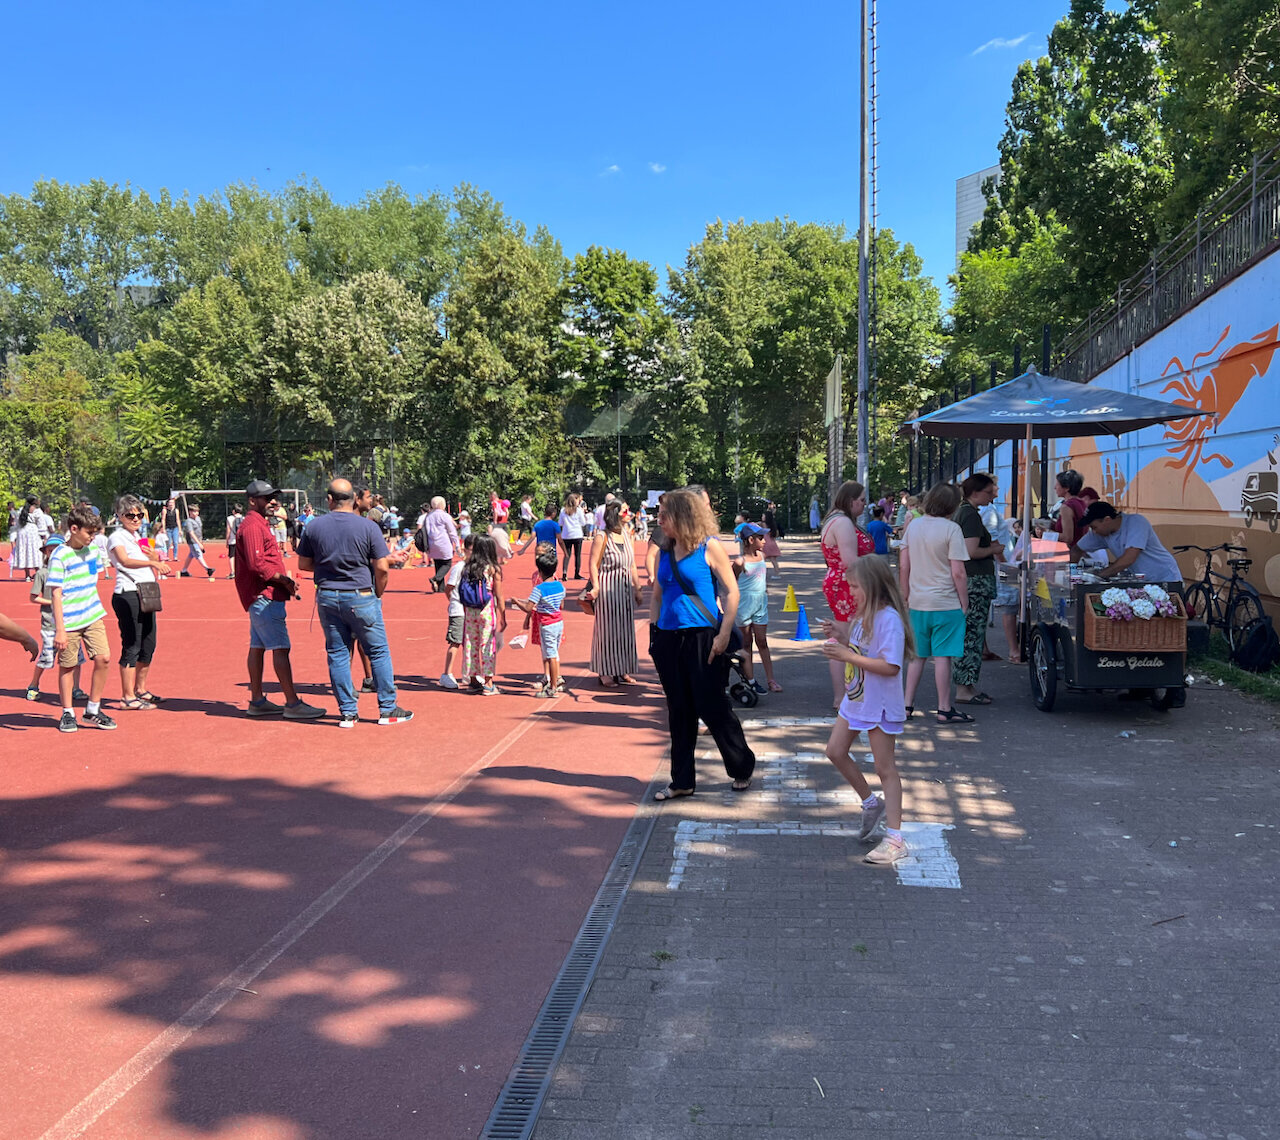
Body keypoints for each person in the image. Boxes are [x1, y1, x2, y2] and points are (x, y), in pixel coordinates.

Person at [648, 488, 755, 801]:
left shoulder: (709, 547)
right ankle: (682, 780)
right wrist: (654, 635)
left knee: (711, 705)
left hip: (702, 636)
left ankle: (741, 766)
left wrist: (723, 635)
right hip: (669, 638)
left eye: (664, 515)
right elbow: (658, 593)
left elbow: (731, 592)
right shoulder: (666, 549)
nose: (659, 520)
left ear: (682, 515)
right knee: (678, 710)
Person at [820, 554, 915, 865]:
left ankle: (896, 839)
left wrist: (846, 655)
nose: (851, 594)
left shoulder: (888, 619)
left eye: (855, 587)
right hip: (859, 698)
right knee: (835, 750)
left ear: (872, 587)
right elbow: (863, 648)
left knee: (885, 768)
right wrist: (842, 634)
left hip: (880, 703)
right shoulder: (865, 616)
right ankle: (870, 802)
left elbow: (889, 665)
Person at [296, 478, 413, 728]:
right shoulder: (367, 527)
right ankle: (387, 709)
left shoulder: (314, 526)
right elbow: (381, 567)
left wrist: (330, 566)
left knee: (338, 653)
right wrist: (378, 591)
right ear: (354, 500)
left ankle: (348, 712)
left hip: (328, 595)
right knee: (378, 651)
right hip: (361, 595)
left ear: (329, 499)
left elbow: (303, 564)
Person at [233, 480, 324, 720]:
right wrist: (283, 580)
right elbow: (256, 565)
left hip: (263, 595)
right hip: (265, 596)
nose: (273, 502)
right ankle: (292, 704)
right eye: (267, 498)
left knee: (258, 646)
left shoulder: (259, 523)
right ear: (253, 501)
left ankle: (257, 700)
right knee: (280, 648)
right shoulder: (253, 525)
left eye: (274, 497)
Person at [899, 482, 971, 724]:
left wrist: (905, 594)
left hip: (918, 601)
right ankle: (943, 708)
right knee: (943, 657)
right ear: (953, 505)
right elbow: (958, 572)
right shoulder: (952, 530)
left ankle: (906, 704)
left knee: (917, 656)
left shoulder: (914, 526)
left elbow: (904, 565)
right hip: (946, 602)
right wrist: (964, 601)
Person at [48, 505, 116, 732]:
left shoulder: (92, 550)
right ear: (74, 529)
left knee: (103, 658)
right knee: (68, 666)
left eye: (95, 533)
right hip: (69, 622)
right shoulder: (59, 555)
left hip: (93, 615)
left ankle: (93, 710)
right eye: (89, 533)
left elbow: (91, 578)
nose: (93, 537)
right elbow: (56, 593)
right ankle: (67, 712)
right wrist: (60, 629)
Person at [107, 494, 173, 710]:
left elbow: (153, 556)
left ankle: (140, 689)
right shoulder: (117, 537)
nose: (136, 519)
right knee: (132, 644)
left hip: (147, 591)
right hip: (128, 593)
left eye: (139, 514)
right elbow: (124, 561)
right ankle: (127, 696)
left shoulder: (140, 536)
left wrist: (153, 555)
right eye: (130, 515)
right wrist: (153, 562)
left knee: (148, 643)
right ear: (120, 516)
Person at [820, 481, 873, 707]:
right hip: (849, 584)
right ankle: (844, 694)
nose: (864, 505)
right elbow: (851, 561)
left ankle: (844, 693)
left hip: (841, 582)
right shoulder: (842, 522)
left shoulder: (834, 519)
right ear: (850, 501)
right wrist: (874, 579)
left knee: (845, 635)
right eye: (861, 500)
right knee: (847, 637)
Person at [952, 473, 1002, 706]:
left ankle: (968, 685)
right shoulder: (970, 515)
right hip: (976, 582)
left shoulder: (964, 511)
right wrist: (993, 548)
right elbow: (971, 552)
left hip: (973, 582)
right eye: (989, 491)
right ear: (975, 492)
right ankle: (964, 687)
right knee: (972, 636)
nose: (993, 495)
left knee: (971, 634)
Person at [585, 500, 642, 687]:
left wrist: (637, 588)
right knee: (607, 631)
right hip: (608, 589)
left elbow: (632, 564)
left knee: (625, 631)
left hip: (624, 590)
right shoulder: (602, 536)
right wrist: (595, 586)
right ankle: (604, 670)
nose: (628, 513)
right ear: (616, 513)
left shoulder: (627, 535)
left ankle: (622, 668)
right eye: (625, 510)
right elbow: (593, 564)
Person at [26, 536, 85, 701]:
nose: (53, 554)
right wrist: (52, 601)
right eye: (50, 550)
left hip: (71, 623)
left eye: (57, 550)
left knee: (76, 658)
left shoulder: (71, 572)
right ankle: (33, 684)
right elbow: (33, 597)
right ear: (45, 552)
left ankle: (76, 688)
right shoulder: (42, 573)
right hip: (50, 625)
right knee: (46, 658)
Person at [511, 543, 567, 697]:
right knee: (553, 652)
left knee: (550, 655)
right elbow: (561, 604)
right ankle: (552, 681)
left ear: (540, 571)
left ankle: (553, 686)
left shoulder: (539, 588)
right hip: (558, 622)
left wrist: (516, 602)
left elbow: (529, 607)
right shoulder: (560, 586)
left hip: (547, 624)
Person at [1076, 501, 1182, 581]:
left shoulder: (1136, 523)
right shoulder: (1101, 532)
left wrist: (1099, 576)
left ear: (1107, 520)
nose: (1093, 531)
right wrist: (1071, 575)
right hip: (1143, 582)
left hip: (1165, 578)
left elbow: (1129, 558)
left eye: (1094, 527)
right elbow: (1076, 550)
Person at [733, 522, 780, 693]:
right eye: (761, 538)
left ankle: (771, 679)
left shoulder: (762, 556)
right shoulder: (740, 562)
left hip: (760, 605)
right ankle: (750, 680)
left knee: (762, 641)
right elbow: (731, 582)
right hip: (744, 606)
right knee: (746, 643)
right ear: (751, 540)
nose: (764, 541)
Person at [459, 533, 507, 695]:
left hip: (470, 610)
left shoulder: (467, 567)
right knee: (487, 644)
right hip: (486, 609)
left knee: (471, 643)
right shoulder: (493, 569)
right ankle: (488, 682)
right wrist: (503, 616)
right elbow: (499, 595)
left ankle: (473, 679)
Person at [438, 533, 474, 690]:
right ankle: (447, 673)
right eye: (472, 550)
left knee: (470, 642)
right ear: (465, 550)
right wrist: (452, 600)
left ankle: (468, 672)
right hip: (458, 609)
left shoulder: (475, 568)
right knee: (456, 641)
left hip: (471, 609)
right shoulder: (459, 567)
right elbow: (449, 587)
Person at [423, 496, 461, 594]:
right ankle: (435, 579)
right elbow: (452, 531)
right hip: (443, 542)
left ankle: (440, 588)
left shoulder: (428, 516)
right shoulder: (445, 516)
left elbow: (426, 531)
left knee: (438, 564)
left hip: (432, 543)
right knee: (447, 563)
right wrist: (457, 544)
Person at [1051, 469, 1088, 559]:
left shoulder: (1066, 507)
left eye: (1057, 484)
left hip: (1068, 555)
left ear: (1067, 488)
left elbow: (1068, 538)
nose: (1055, 487)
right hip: (1081, 552)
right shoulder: (1082, 503)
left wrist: (1046, 533)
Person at [12, 495, 47, 580]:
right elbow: (41, 524)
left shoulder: (21, 510)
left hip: (22, 532)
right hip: (33, 532)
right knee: (35, 551)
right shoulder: (37, 511)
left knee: (24, 551)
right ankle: (38, 573)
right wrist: (43, 535)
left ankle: (27, 575)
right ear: (34, 502)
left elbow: (18, 522)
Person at [179, 505, 214, 578]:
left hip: (198, 540)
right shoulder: (188, 521)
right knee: (198, 554)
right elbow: (191, 533)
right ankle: (207, 569)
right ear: (190, 512)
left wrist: (201, 541)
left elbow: (200, 530)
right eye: (194, 511)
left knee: (191, 555)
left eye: (197, 511)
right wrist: (198, 543)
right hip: (192, 541)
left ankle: (184, 571)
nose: (196, 513)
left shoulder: (198, 519)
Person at [558, 492, 587, 580]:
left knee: (567, 554)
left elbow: (560, 523)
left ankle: (564, 573)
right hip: (577, 534)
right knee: (577, 555)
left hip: (566, 535)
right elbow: (583, 523)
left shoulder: (563, 510)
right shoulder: (578, 510)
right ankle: (577, 573)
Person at [225, 503, 244, 579]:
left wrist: (227, 541)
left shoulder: (229, 518)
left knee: (231, 556)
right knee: (241, 557)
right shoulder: (244, 518)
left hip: (232, 540)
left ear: (233, 511)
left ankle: (232, 572)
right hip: (241, 540)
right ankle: (242, 572)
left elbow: (228, 531)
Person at [761, 507, 782, 572]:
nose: (762, 517)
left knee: (761, 560)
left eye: (763, 516)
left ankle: (761, 573)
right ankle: (777, 573)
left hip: (765, 543)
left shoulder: (763, 524)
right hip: (772, 543)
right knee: (773, 560)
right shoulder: (773, 525)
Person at [162, 498, 181, 562]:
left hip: (175, 528)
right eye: (170, 503)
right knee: (168, 543)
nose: (171, 504)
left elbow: (178, 520)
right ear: (168, 504)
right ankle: (166, 556)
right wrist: (163, 528)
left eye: (172, 503)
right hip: (168, 528)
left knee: (175, 542)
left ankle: (175, 556)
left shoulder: (176, 510)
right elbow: (163, 520)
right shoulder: (165, 511)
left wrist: (180, 529)